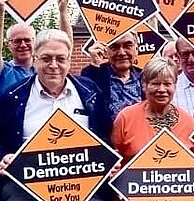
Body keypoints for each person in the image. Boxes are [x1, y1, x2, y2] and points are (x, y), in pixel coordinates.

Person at [0, 29, 111, 201]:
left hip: (82, 180)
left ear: (69, 60)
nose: (53, 65)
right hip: (27, 183)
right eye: (46, 58)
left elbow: (105, 134)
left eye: (60, 58)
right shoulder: (12, 96)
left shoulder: (91, 91)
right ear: (35, 60)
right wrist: (3, 157)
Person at [111, 57, 194, 163]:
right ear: (144, 85)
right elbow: (114, 158)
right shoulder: (126, 118)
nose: (161, 90)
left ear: (174, 86)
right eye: (155, 83)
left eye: (167, 84)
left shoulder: (187, 121)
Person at [0, 0, 73, 93]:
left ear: (35, 43)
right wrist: (1, 11)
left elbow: (65, 46)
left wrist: (63, 10)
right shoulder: (4, 71)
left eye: (27, 40)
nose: (23, 45)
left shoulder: (44, 69)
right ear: (8, 45)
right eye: (17, 41)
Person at [81, 32, 142, 121]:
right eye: (114, 47)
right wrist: (94, 64)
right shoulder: (94, 73)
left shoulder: (145, 77)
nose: (122, 53)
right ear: (106, 51)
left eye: (127, 46)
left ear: (136, 49)